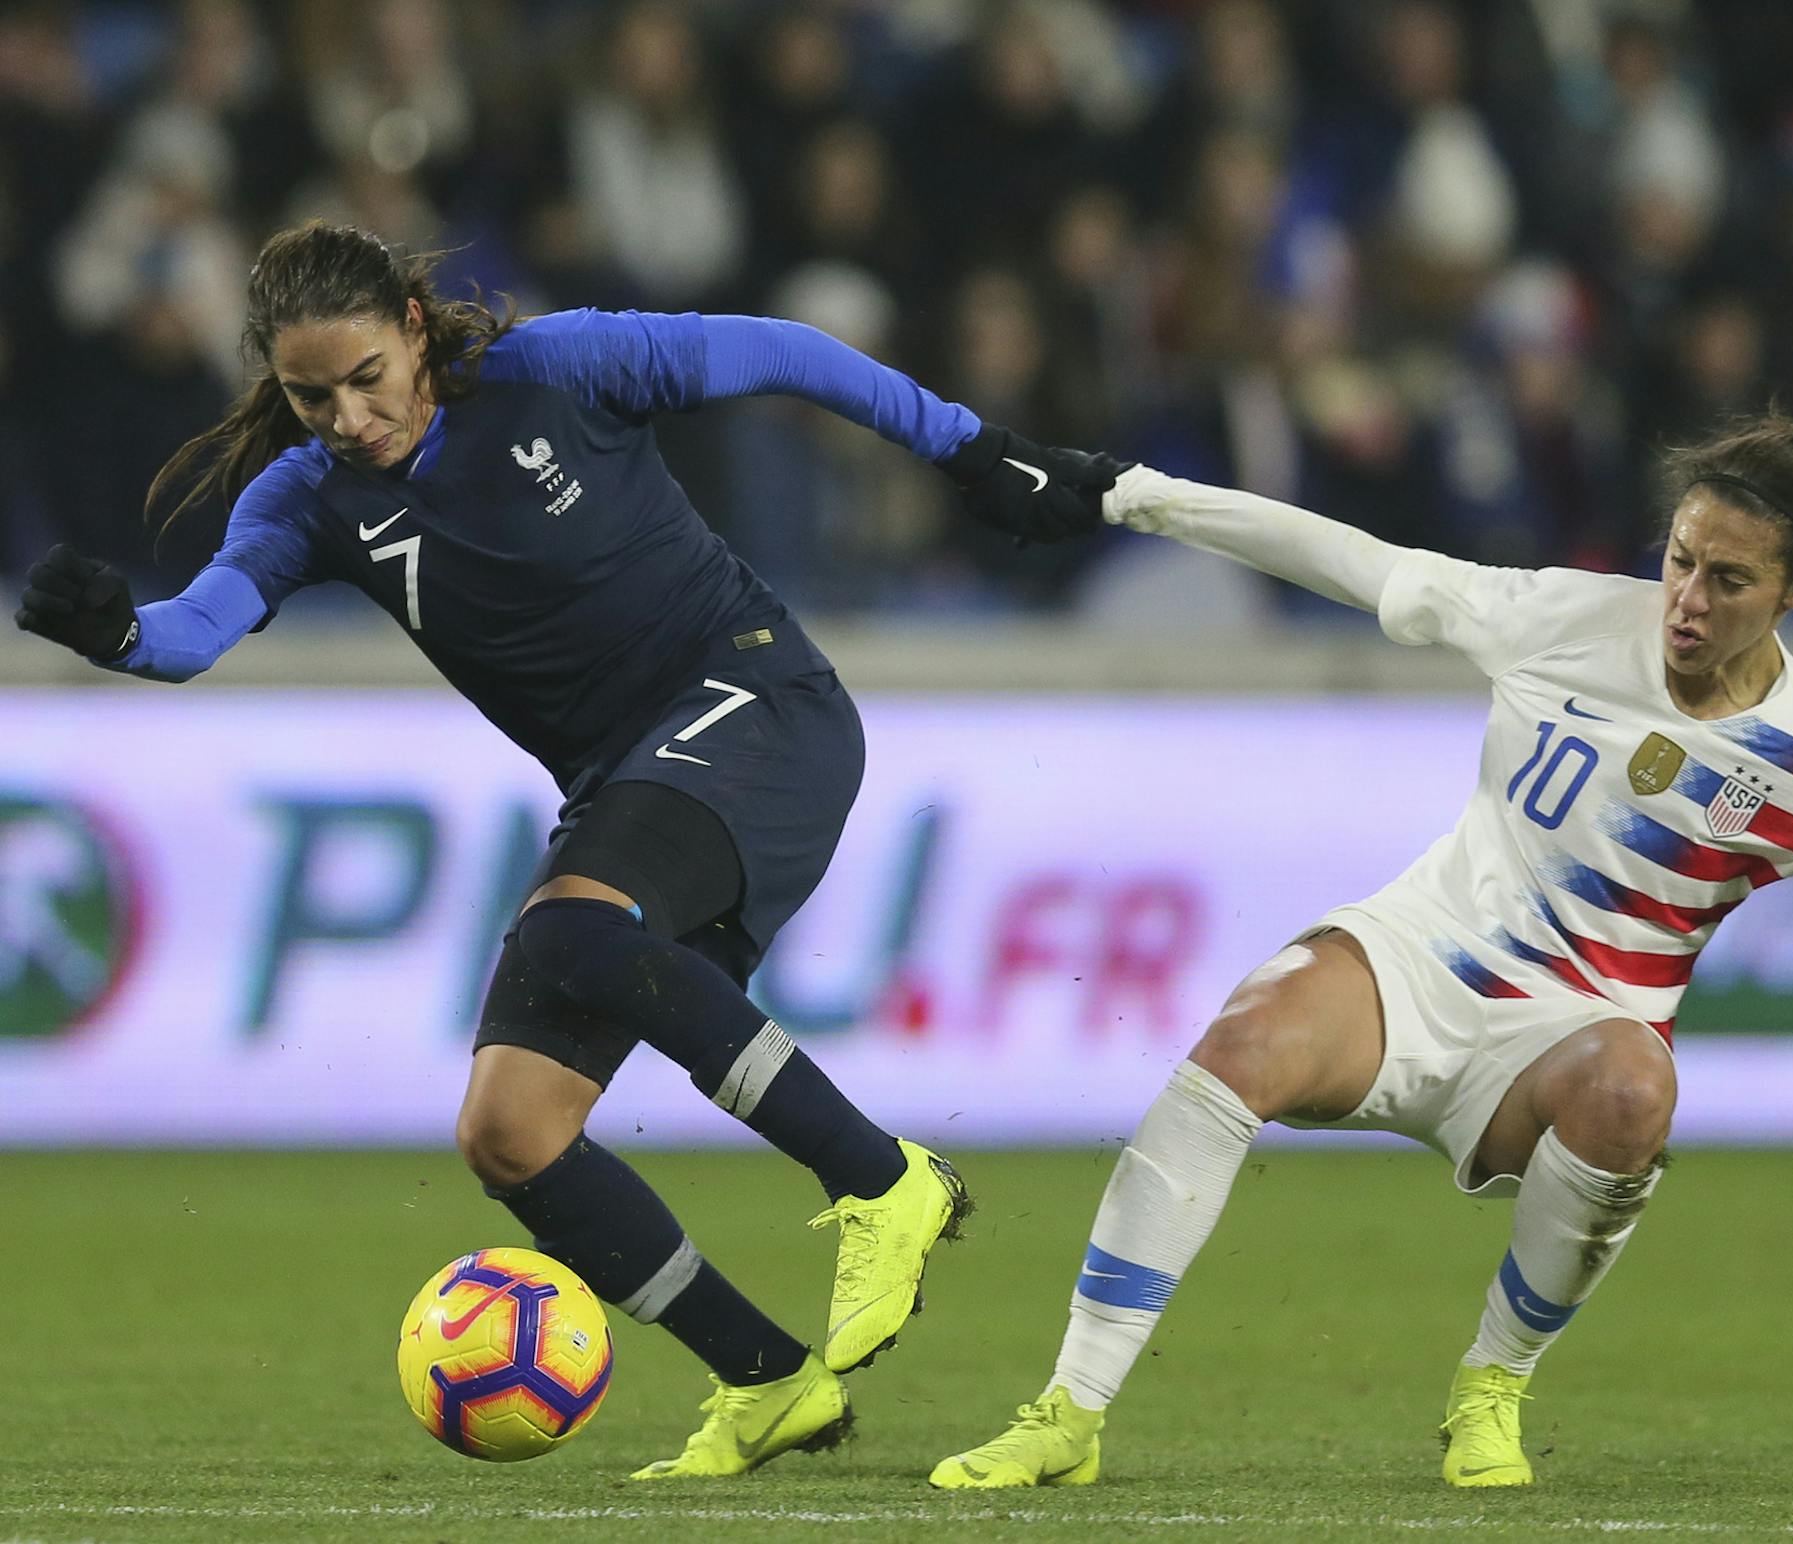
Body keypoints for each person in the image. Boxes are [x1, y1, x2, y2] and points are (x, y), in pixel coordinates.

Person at [13, 221, 1118, 1479]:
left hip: (762, 705)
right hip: (627, 781)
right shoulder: (309, 500)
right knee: (510, 1129)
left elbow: (785, 353)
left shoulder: (561, 368)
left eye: (367, 377)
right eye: (311, 394)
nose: (347, 416)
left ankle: (885, 1179)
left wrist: (972, 449)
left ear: (414, 330)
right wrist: (115, 633)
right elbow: (194, 630)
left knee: (575, 927)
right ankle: (766, 1381)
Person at [929, 412, 1793, 1491]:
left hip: (1567, 1040)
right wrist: (1127, 490)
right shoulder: (1568, 617)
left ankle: (1490, 1387)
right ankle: (1068, 1411)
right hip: (1419, 959)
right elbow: (1356, 561)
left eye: (1728, 580)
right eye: (1679, 559)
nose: (1684, 599)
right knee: (1240, 1041)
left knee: (1635, 1090)